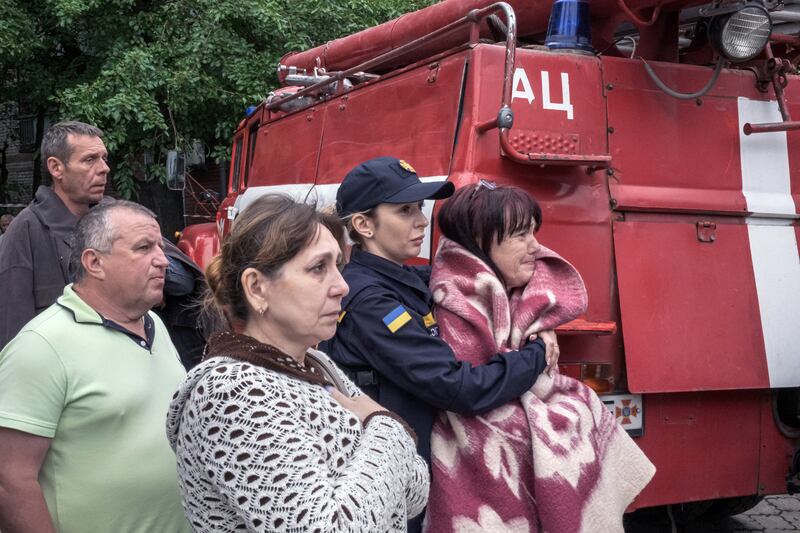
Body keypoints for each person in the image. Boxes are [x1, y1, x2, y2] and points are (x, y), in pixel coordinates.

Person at [166, 194, 429, 532]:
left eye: (339, 265)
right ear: (257, 288)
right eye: (318, 268)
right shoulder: (230, 394)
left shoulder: (316, 365)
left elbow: (416, 493)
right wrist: (385, 425)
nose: (342, 286)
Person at [319, 157, 551, 531]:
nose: (420, 221)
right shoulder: (369, 301)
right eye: (404, 210)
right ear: (363, 225)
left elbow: (475, 278)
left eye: (421, 208)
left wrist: (538, 319)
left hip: (416, 472)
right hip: (390, 490)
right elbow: (456, 387)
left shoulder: (409, 278)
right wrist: (535, 356)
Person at [424, 182, 655, 533]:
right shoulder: (456, 298)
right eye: (520, 236)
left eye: (534, 232)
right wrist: (536, 354)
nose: (535, 246)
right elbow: (473, 396)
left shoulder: (504, 285)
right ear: (478, 240)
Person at [0, 201, 190, 533]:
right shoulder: (42, 345)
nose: (163, 260)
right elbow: (9, 478)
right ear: (94, 262)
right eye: (144, 248)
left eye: (160, 247)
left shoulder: (155, 326)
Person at [0, 121, 109, 348]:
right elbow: (14, 335)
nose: (103, 168)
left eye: (104, 158)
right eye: (90, 160)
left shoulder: (116, 220)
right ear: (56, 168)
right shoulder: (25, 232)